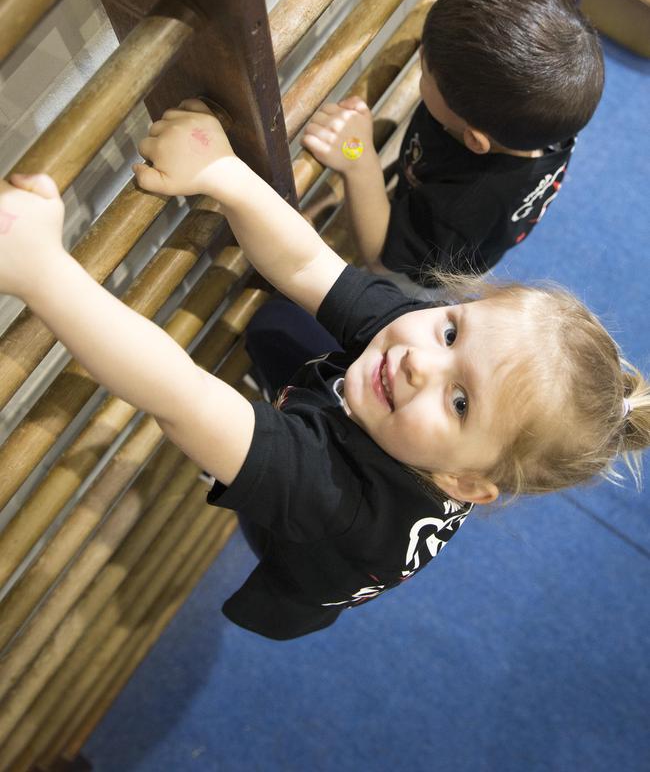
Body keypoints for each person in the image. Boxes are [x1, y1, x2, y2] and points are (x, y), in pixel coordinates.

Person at [1, 101, 647, 641]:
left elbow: (181, 399)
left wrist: (43, 272)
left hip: (300, 552)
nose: (422, 362)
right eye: (452, 330)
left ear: (464, 481)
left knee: (230, 428)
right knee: (278, 322)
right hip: (367, 440)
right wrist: (222, 172)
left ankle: (249, 455)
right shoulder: (416, 344)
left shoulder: (337, 500)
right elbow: (310, 265)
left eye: (459, 403)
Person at [302, 0, 604, 293]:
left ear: (474, 139)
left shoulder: (460, 210)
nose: (423, 69)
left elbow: (382, 254)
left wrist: (356, 157)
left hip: (426, 276)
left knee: (399, 284)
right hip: (466, 210)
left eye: (427, 74)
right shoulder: (550, 76)